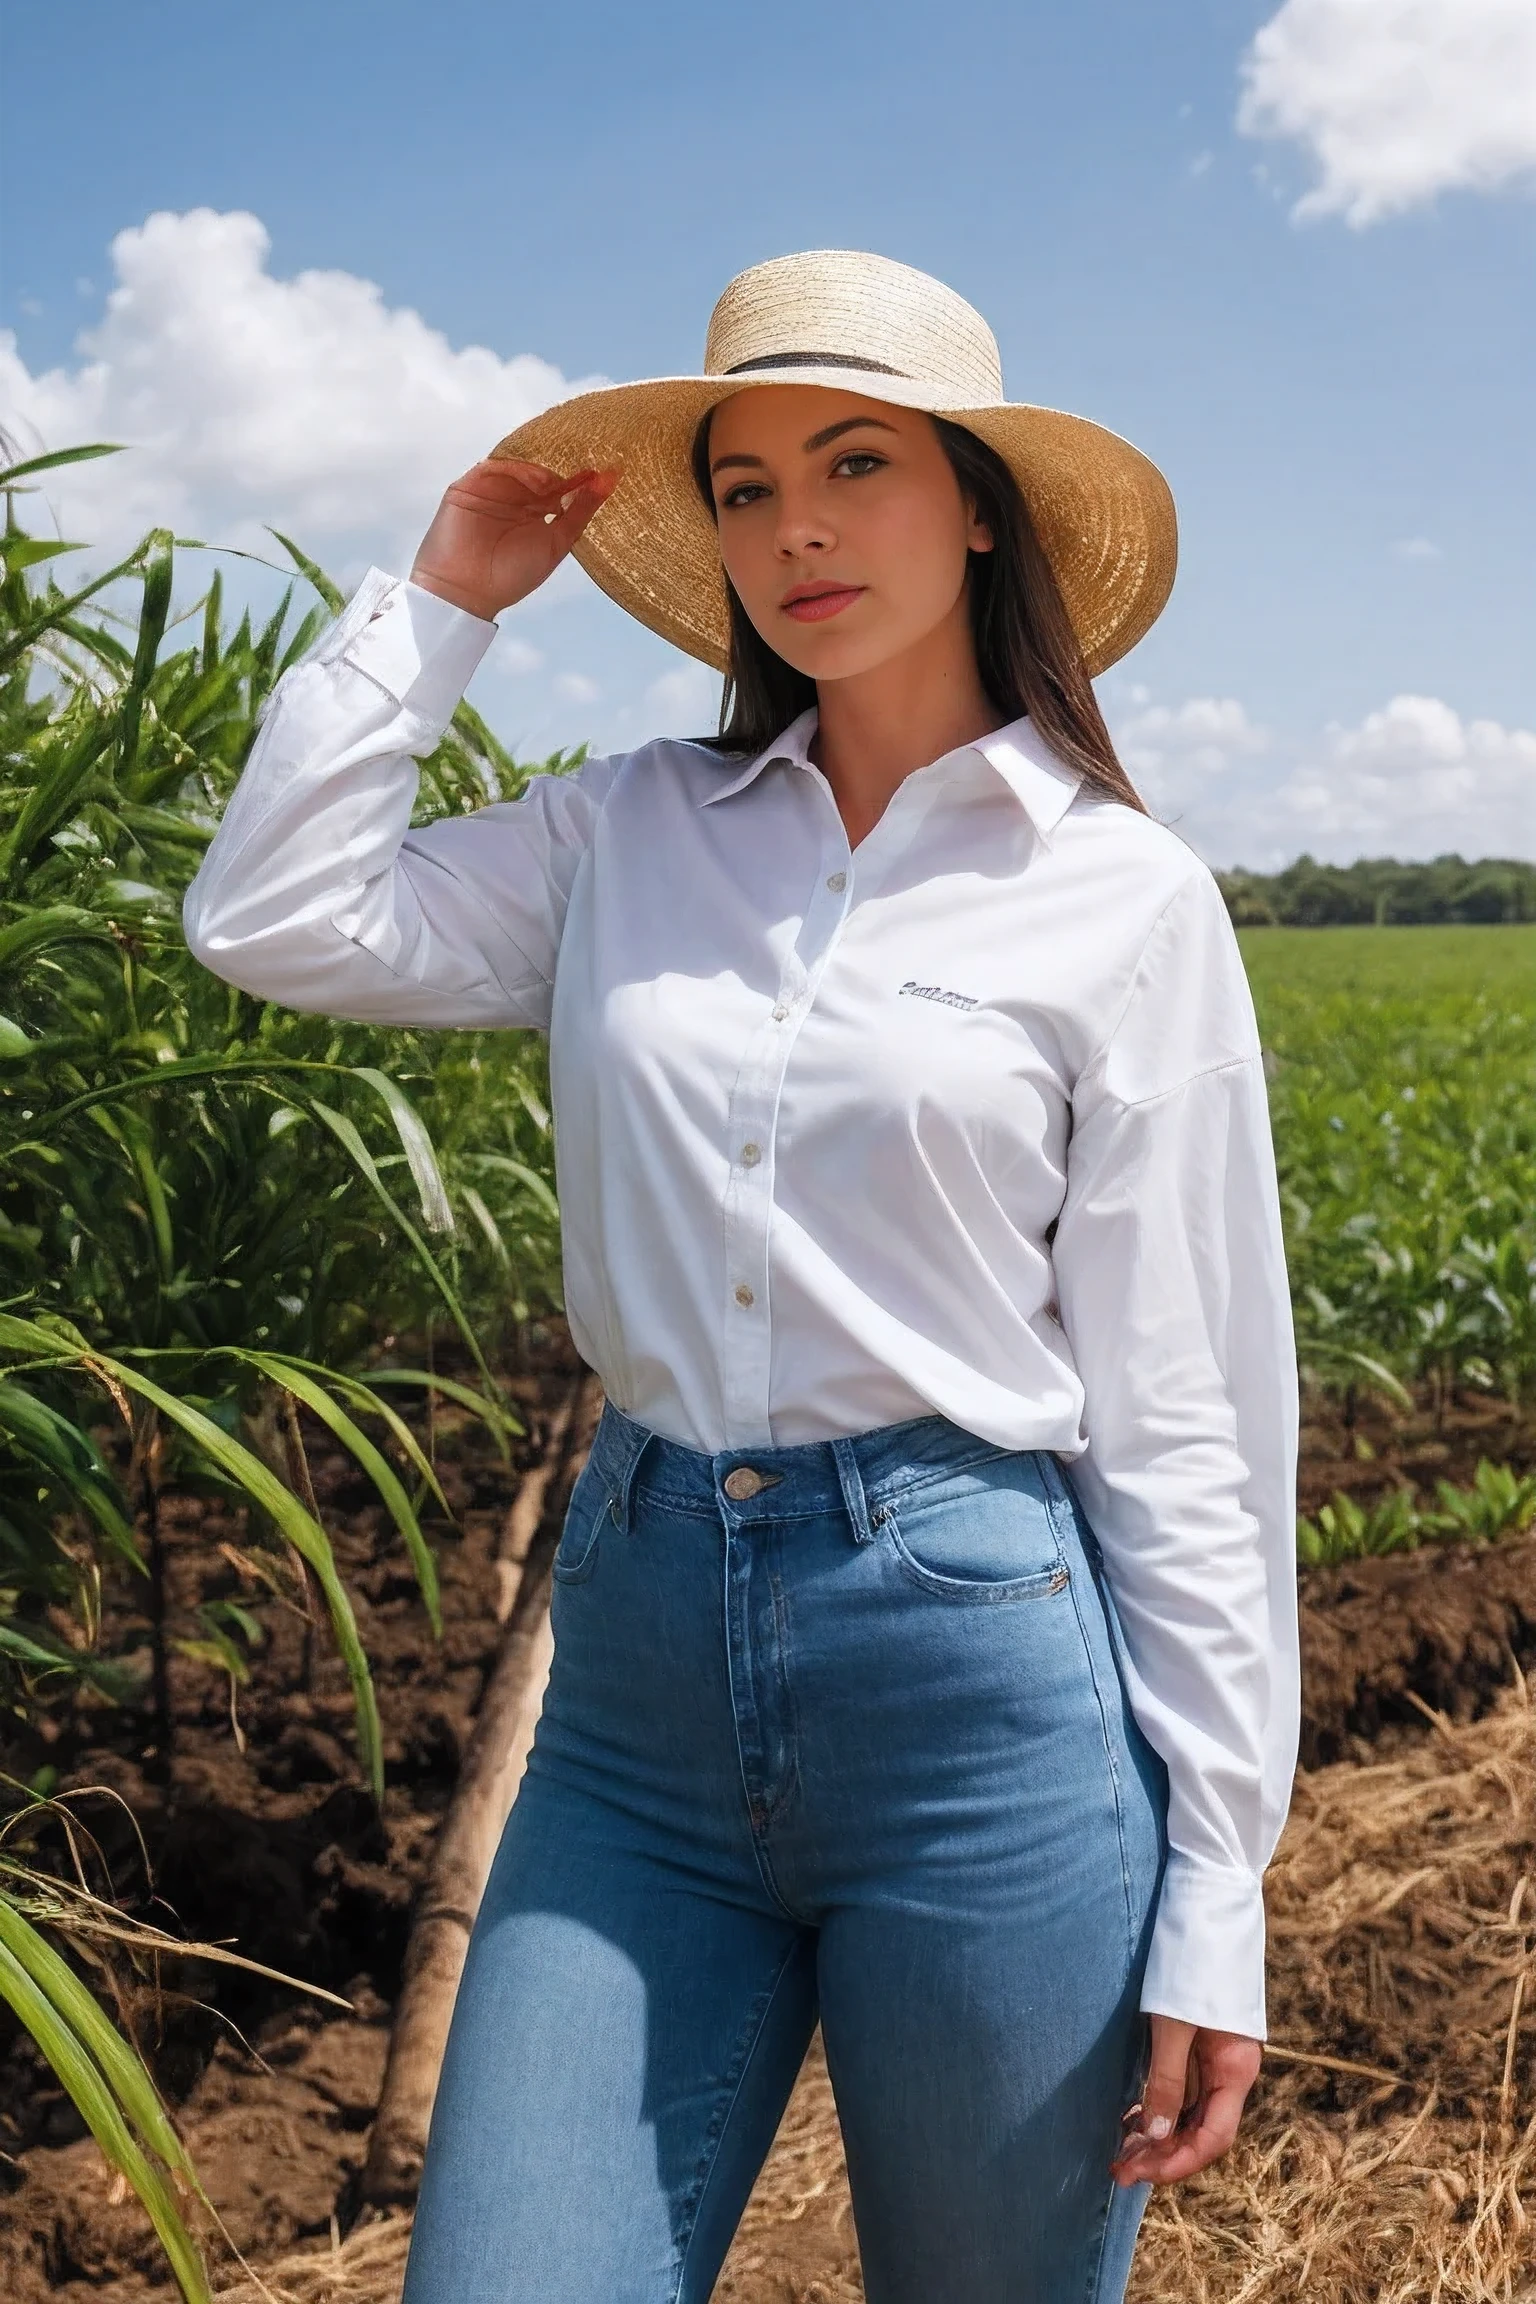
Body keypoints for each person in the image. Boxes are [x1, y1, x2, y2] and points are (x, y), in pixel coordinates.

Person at [182, 247, 1300, 2303]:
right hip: (636, 1689)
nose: (795, 527)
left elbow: (1196, 1409)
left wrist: (1219, 1876)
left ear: (980, 503)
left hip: (981, 1690)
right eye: (747, 481)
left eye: (856, 463)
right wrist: (441, 596)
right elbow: (274, 914)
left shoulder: (1121, 899)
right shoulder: (629, 833)